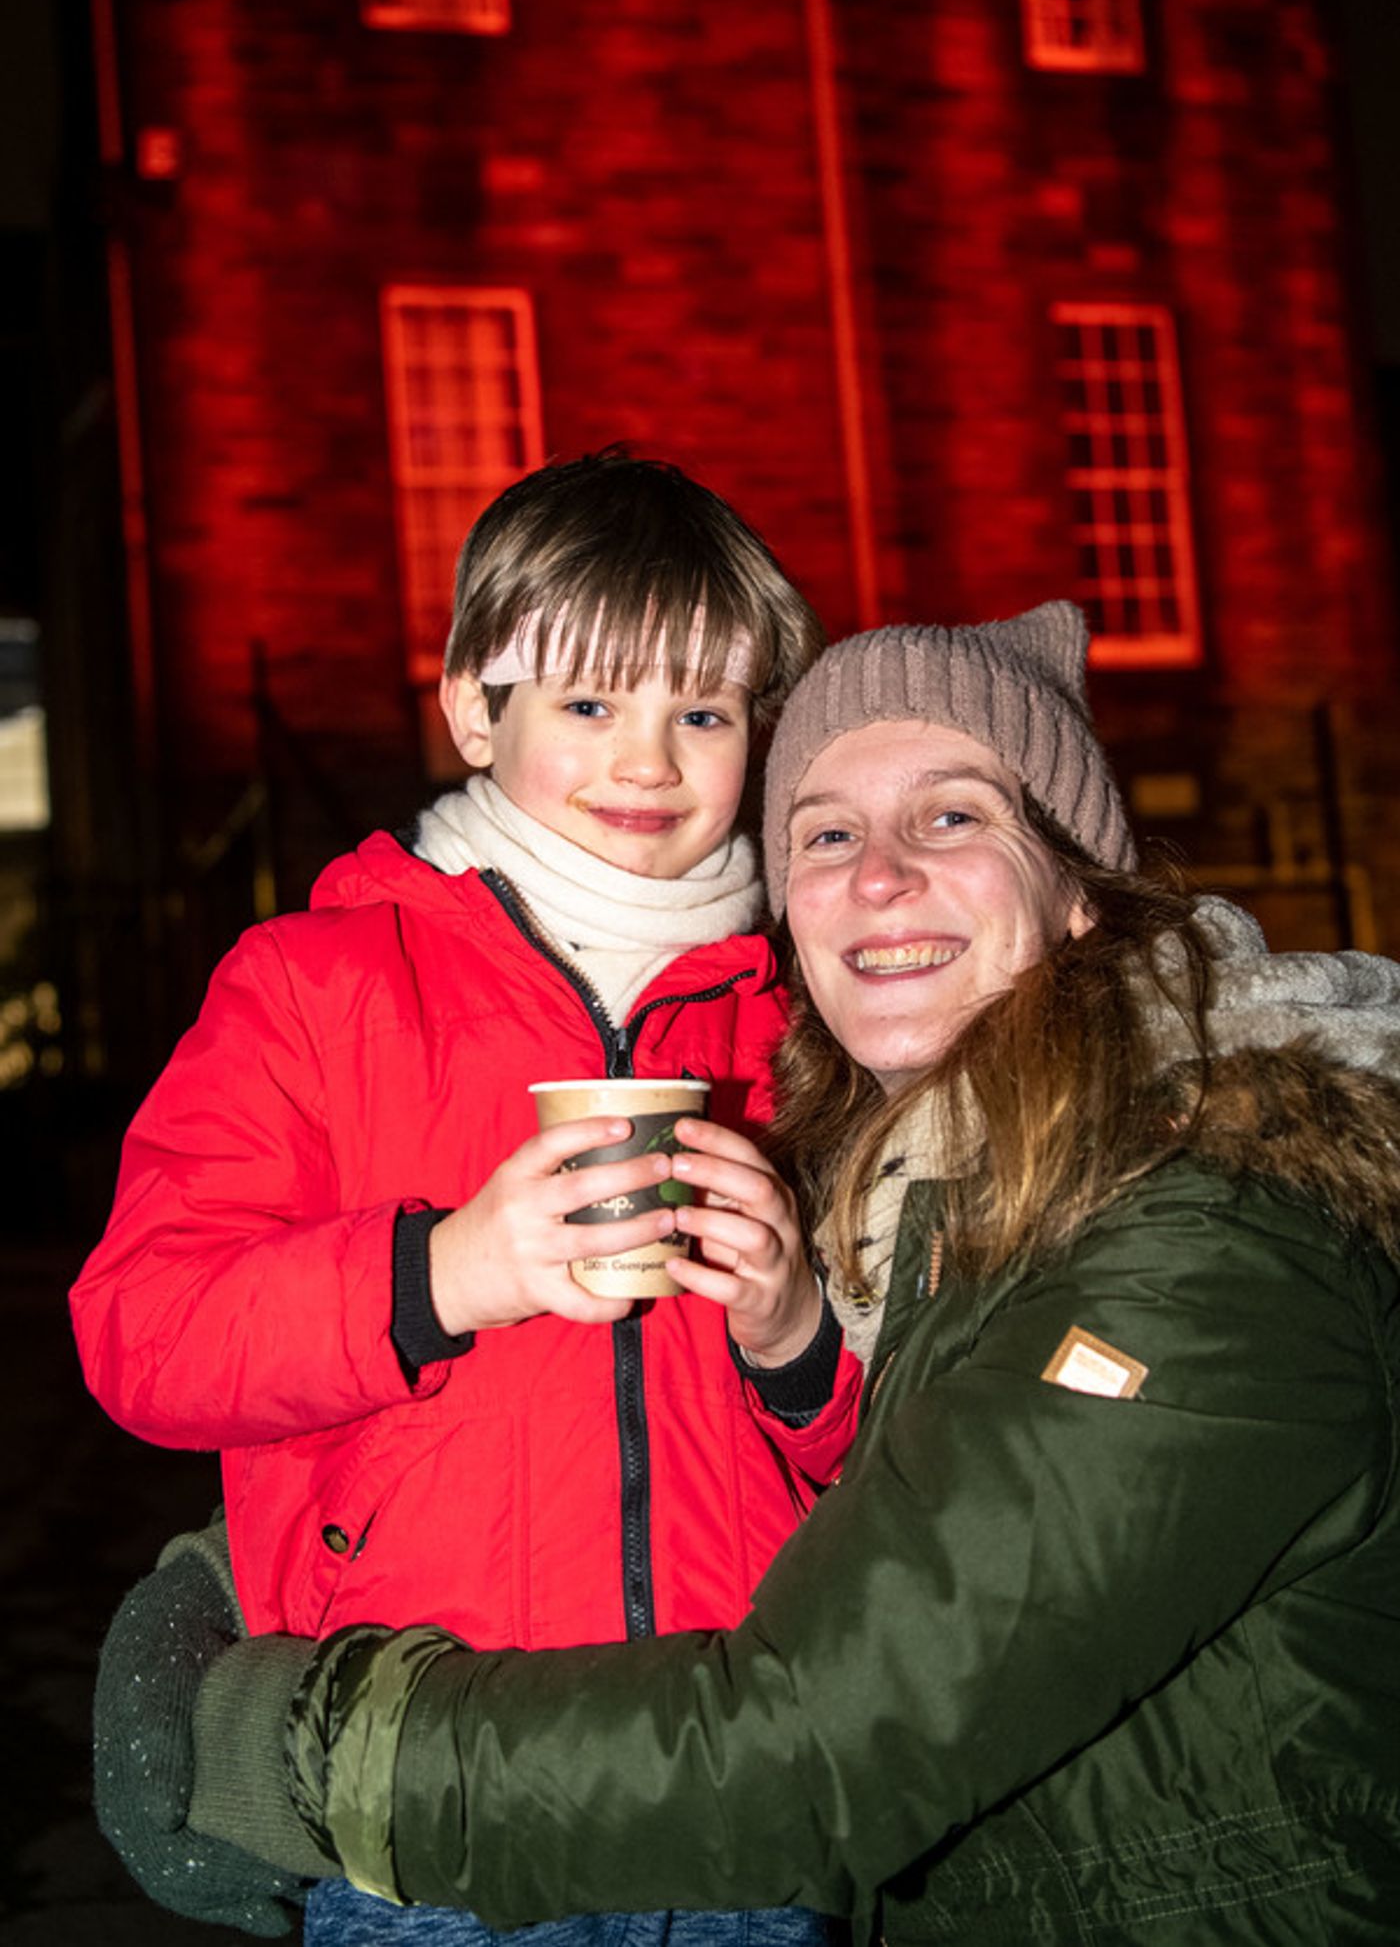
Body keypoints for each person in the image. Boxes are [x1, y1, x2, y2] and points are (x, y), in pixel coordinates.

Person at [123, 599, 1400, 1944]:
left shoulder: (1208, 1224)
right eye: (827, 834)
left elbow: (819, 1747)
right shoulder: (930, 1186)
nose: (881, 875)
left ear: (1081, 884)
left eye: (953, 815)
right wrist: (269, 1552)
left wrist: (296, 1748)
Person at [71, 449, 864, 1944]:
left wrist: (797, 1332)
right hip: (430, 1796)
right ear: (470, 708)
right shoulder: (316, 986)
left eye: (702, 710)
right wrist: (443, 1275)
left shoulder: (796, 1021)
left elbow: (892, 1439)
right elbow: (142, 1333)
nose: (650, 762)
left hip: (742, 1779)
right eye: (588, 705)